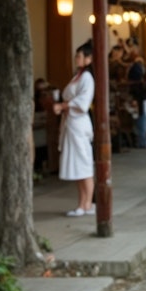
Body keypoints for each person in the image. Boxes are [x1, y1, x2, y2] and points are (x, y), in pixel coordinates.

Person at [54, 41, 95, 216]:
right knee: (78, 165)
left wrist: (63, 106)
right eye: (76, 56)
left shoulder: (87, 78)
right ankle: (83, 202)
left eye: (79, 56)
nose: (76, 59)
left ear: (88, 59)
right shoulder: (78, 76)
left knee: (84, 164)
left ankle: (85, 204)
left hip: (79, 123)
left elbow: (83, 102)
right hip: (71, 122)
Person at [125, 37, 146, 148]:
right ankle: (141, 140)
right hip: (136, 93)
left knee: (141, 116)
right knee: (140, 116)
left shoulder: (138, 64)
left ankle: (142, 139)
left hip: (140, 93)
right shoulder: (132, 64)